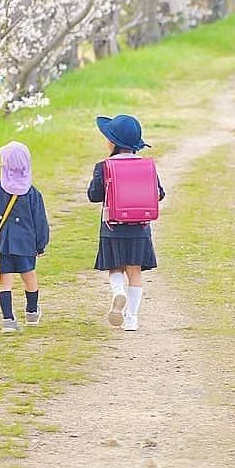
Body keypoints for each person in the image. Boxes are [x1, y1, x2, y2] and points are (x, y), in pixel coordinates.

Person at [87, 114, 164, 332]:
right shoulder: (146, 166)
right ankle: (132, 319)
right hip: (140, 228)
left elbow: (94, 195)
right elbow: (160, 193)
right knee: (135, 272)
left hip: (112, 228)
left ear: (113, 142)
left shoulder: (104, 166)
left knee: (115, 268)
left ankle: (118, 292)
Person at [0, 140, 50, 333]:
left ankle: (8, 320)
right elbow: (40, 221)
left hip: (2, 244)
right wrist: (40, 245)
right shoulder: (32, 193)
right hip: (26, 244)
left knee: (5, 281)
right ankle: (32, 312)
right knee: (29, 277)